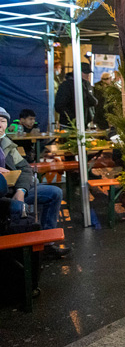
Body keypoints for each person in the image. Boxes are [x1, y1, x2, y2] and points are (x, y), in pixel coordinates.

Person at [0, 107, 70, 258]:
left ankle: (46, 246)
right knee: (19, 207)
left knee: (55, 193)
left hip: (15, 190)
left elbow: (25, 168)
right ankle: (18, 256)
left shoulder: (6, 144)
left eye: (3, 121)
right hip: (2, 196)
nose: (0, 125)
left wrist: (21, 191)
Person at [54, 62, 98, 127]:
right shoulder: (67, 85)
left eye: (88, 73)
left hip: (84, 123)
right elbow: (59, 106)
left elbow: (92, 102)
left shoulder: (86, 84)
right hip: (69, 124)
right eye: (85, 73)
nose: (88, 75)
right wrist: (73, 117)